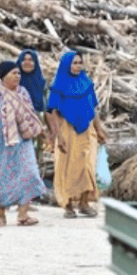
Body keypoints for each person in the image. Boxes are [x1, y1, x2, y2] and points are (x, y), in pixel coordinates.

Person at [0, 59, 46, 227]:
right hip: (1, 143)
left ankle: (23, 215)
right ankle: (1, 216)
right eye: (13, 73)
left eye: (18, 73)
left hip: (23, 141)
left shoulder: (23, 93)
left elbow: (30, 114)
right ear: (3, 76)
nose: (18, 76)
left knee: (29, 173)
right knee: (1, 177)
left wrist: (39, 133)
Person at [46, 49, 108, 218]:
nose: (78, 66)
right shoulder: (58, 85)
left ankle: (84, 203)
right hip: (66, 130)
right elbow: (51, 111)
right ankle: (67, 205)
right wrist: (57, 136)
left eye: (80, 63)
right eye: (74, 63)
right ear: (67, 65)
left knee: (88, 166)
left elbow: (93, 108)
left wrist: (99, 129)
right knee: (67, 167)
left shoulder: (86, 83)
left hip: (87, 130)